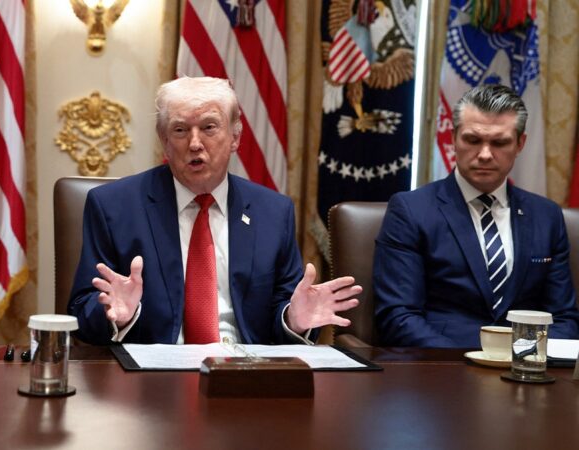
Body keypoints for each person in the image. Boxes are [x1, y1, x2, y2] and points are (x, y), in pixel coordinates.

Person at [68, 76, 361, 345]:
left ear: (235, 137)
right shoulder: (113, 207)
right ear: (164, 142)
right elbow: (81, 311)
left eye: (209, 127)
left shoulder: (273, 212)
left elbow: (282, 308)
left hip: (244, 372)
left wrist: (293, 320)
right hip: (152, 375)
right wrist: (117, 315)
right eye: (180, 130)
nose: (195, 143)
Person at [374, 84, 579, 348]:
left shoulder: (546, 216)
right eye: (472, 140)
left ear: (520, 144)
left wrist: (519, 358)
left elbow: (563, 319)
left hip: (525, 366)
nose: (484, 154)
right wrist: (469, 362)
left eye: (500, 142)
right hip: (443, 363)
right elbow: (398, 317)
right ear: (453, 138)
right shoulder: (411, 210)